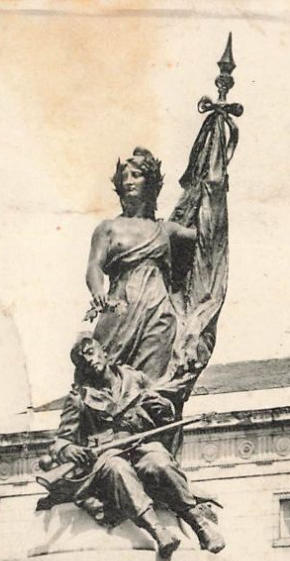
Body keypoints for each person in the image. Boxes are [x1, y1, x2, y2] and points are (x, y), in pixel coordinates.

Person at [46, 337, 225, 558]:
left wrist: (162, 406)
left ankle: (200, 526)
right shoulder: (79, 398)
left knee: (160, 462)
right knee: (118, 469)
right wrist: (67, 449)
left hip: (140, 443)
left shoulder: (135, 378)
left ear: (104, 351)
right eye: (82, 359)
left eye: (91, 352)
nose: (89, 360)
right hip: (107, 454)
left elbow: (165, 414)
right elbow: (61, 440)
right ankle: (158, 532)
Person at [85, 148, 196, 384]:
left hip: (158, 312)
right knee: (105, 376)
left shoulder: (167, 230)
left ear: (151, 182)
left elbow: (208, 233)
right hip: (120, 309)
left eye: (136, 175)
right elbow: (94, 266)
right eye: (124, 177)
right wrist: (97, 292)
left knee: (150, 384)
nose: (128, 181)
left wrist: (213, 184)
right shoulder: (107, 228)